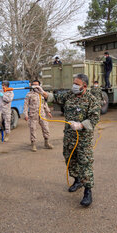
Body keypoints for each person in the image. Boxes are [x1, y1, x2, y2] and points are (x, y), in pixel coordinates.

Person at [34, 74, 101, 207]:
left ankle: (88, 191)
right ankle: (77, 180)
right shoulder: (70, 95)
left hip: (83, 139)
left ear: (85, 86)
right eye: (74, 83)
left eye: (77, 84)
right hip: (69, 136)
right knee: (70, 159)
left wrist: (81, 125)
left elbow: (94, 118)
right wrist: (43, 93)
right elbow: (56, 97)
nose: (74, 86)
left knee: (85, 163)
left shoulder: (92, 100)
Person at [23, 80, 53, 152]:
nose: (35, 87)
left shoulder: (42, 94)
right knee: (33, 129)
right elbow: (25, 105)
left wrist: (48, 112)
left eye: (37, 85)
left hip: (42, 114)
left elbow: (44, 104)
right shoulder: (29, 94)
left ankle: (46, 143)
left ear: (40, 85)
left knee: (46, 128)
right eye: (34, 85)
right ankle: (33, 144)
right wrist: (25, 114)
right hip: (33, 115)